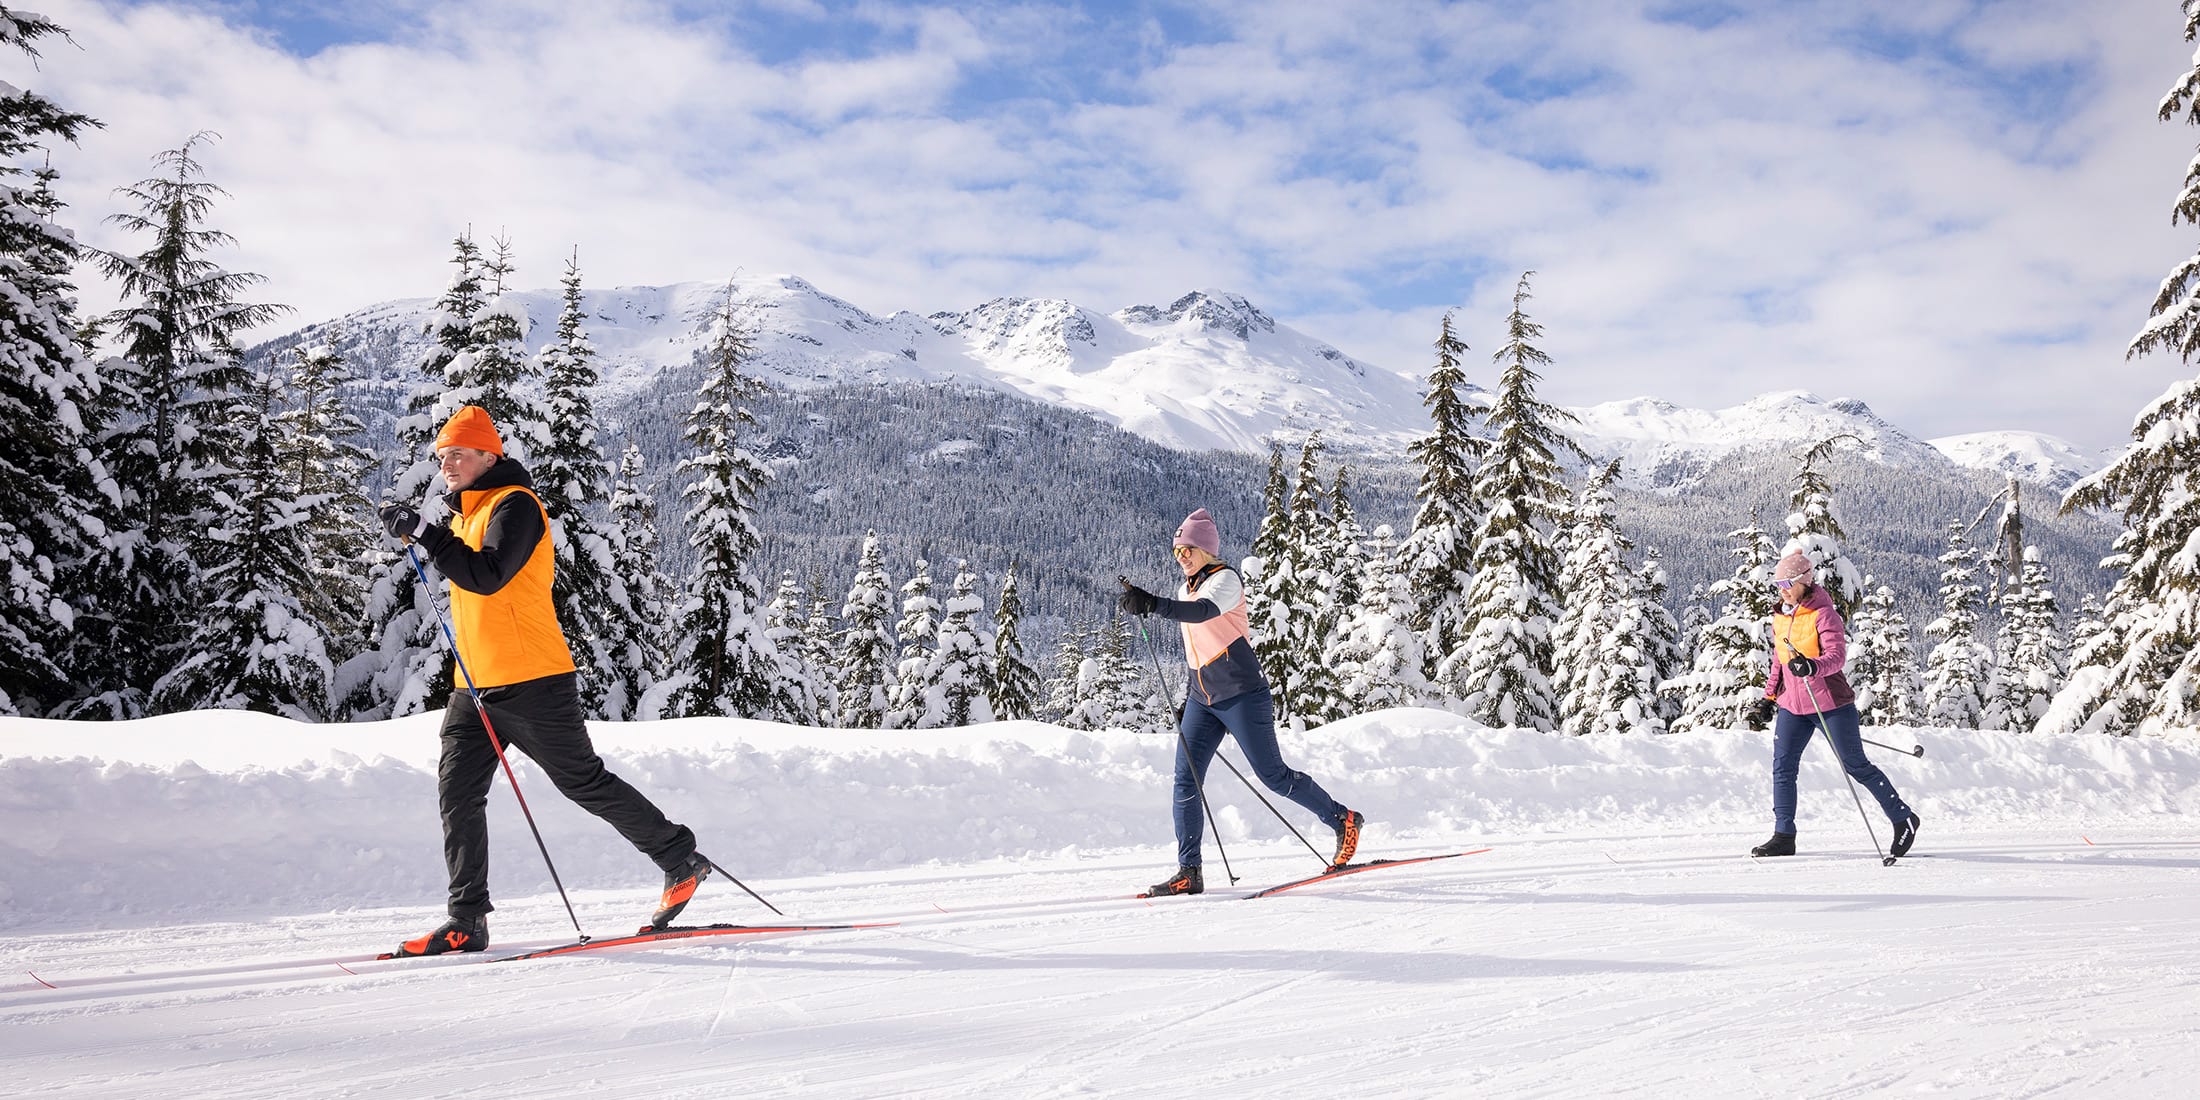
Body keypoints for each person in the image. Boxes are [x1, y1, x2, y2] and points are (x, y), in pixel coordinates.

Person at [376, 406, 715, 955]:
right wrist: (431, 535)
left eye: (458, 454)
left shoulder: (516, 506)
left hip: (534, 679)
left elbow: (487, 576)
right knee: (458, 795)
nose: (447, 465)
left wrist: (425, 533)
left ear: (490, 456)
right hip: (474, 687)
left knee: (583, 782)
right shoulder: (465, 517)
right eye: (441, 457)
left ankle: (680, 858)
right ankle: (467, 920)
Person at [1117, 507, 1364, 896]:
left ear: (1206, 550)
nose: (1181, 557)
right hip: (1203, 700)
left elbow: (1202, 614)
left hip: (1242, 695)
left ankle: (1342, 819)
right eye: (1177, 550)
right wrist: (1190, 696)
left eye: (1188, 549)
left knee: (1273, 776)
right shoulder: (1185, 588)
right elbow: (1198, 648)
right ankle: (1189, 871)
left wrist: (1153, 604)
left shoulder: (1226, 580)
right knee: (1186, 779)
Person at [1748, 549, 1920, 859]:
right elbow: (1779, 662)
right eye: (1778, 584)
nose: (1782, 589)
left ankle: (1902, 817)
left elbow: (1836, 657)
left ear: (1804, 581)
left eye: (1787, 583)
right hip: (1793, 706)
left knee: (1856, 766)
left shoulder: (1823, 614)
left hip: (1830, 703)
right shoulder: (1781, 616)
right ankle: (1784, 835)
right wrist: (1768, 699)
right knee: (1783, 768)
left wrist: (1812, 666)